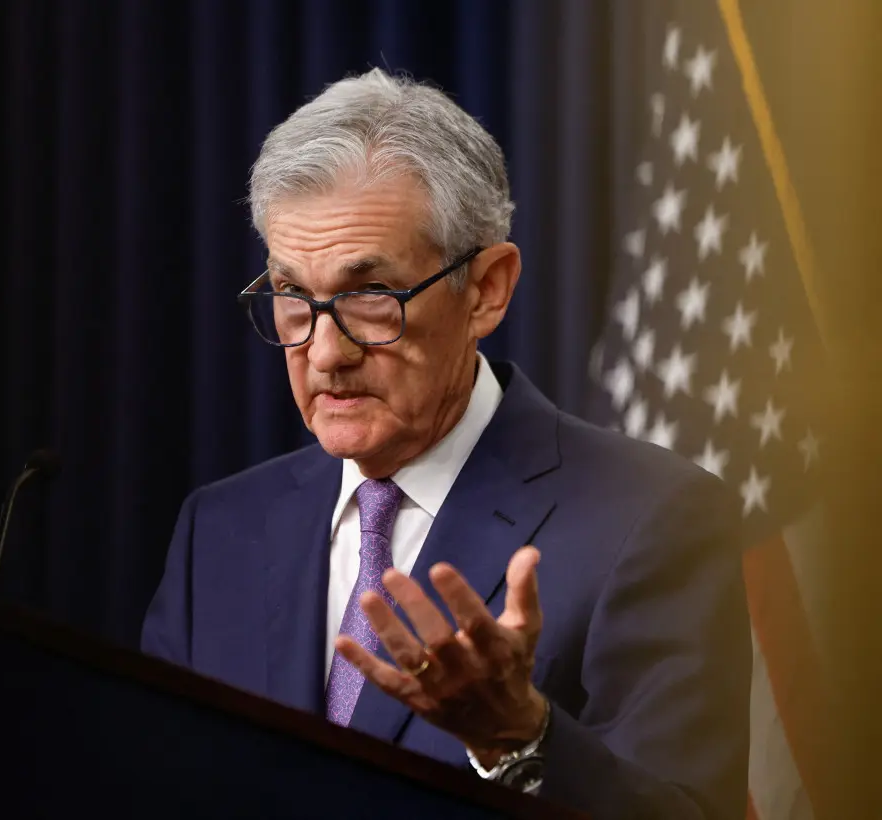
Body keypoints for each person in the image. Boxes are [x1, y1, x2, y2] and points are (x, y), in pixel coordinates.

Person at [142, 69, 749, 818]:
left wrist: (518, 740)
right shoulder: (221, 530)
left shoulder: (652, 521)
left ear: (487, 289)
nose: (325, 352)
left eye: (370, 295)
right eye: (293, 297)